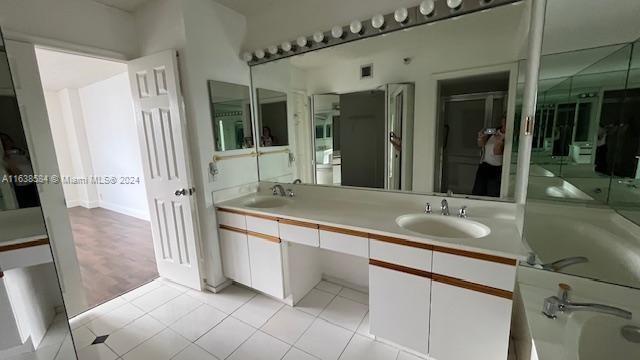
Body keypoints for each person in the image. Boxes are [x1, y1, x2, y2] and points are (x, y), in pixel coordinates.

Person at [1, 132, 39, 208]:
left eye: (7, 139)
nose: (6, 142)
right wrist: (7, 158)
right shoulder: (4, 158)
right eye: (2, 141)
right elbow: (16, 174)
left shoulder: (21, 151)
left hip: (35, 183)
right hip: (23, 188)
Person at [472, 117, 506, 197]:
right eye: (503, 121)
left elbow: (496, 153)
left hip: (496, 169)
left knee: (491, 194)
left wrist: (499, 142)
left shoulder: (508, 136)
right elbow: (481, 145)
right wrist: (480, 137)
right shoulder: (494, 131)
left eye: (506, 122)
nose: (504, 124)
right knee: (477, 192)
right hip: (484, 165)